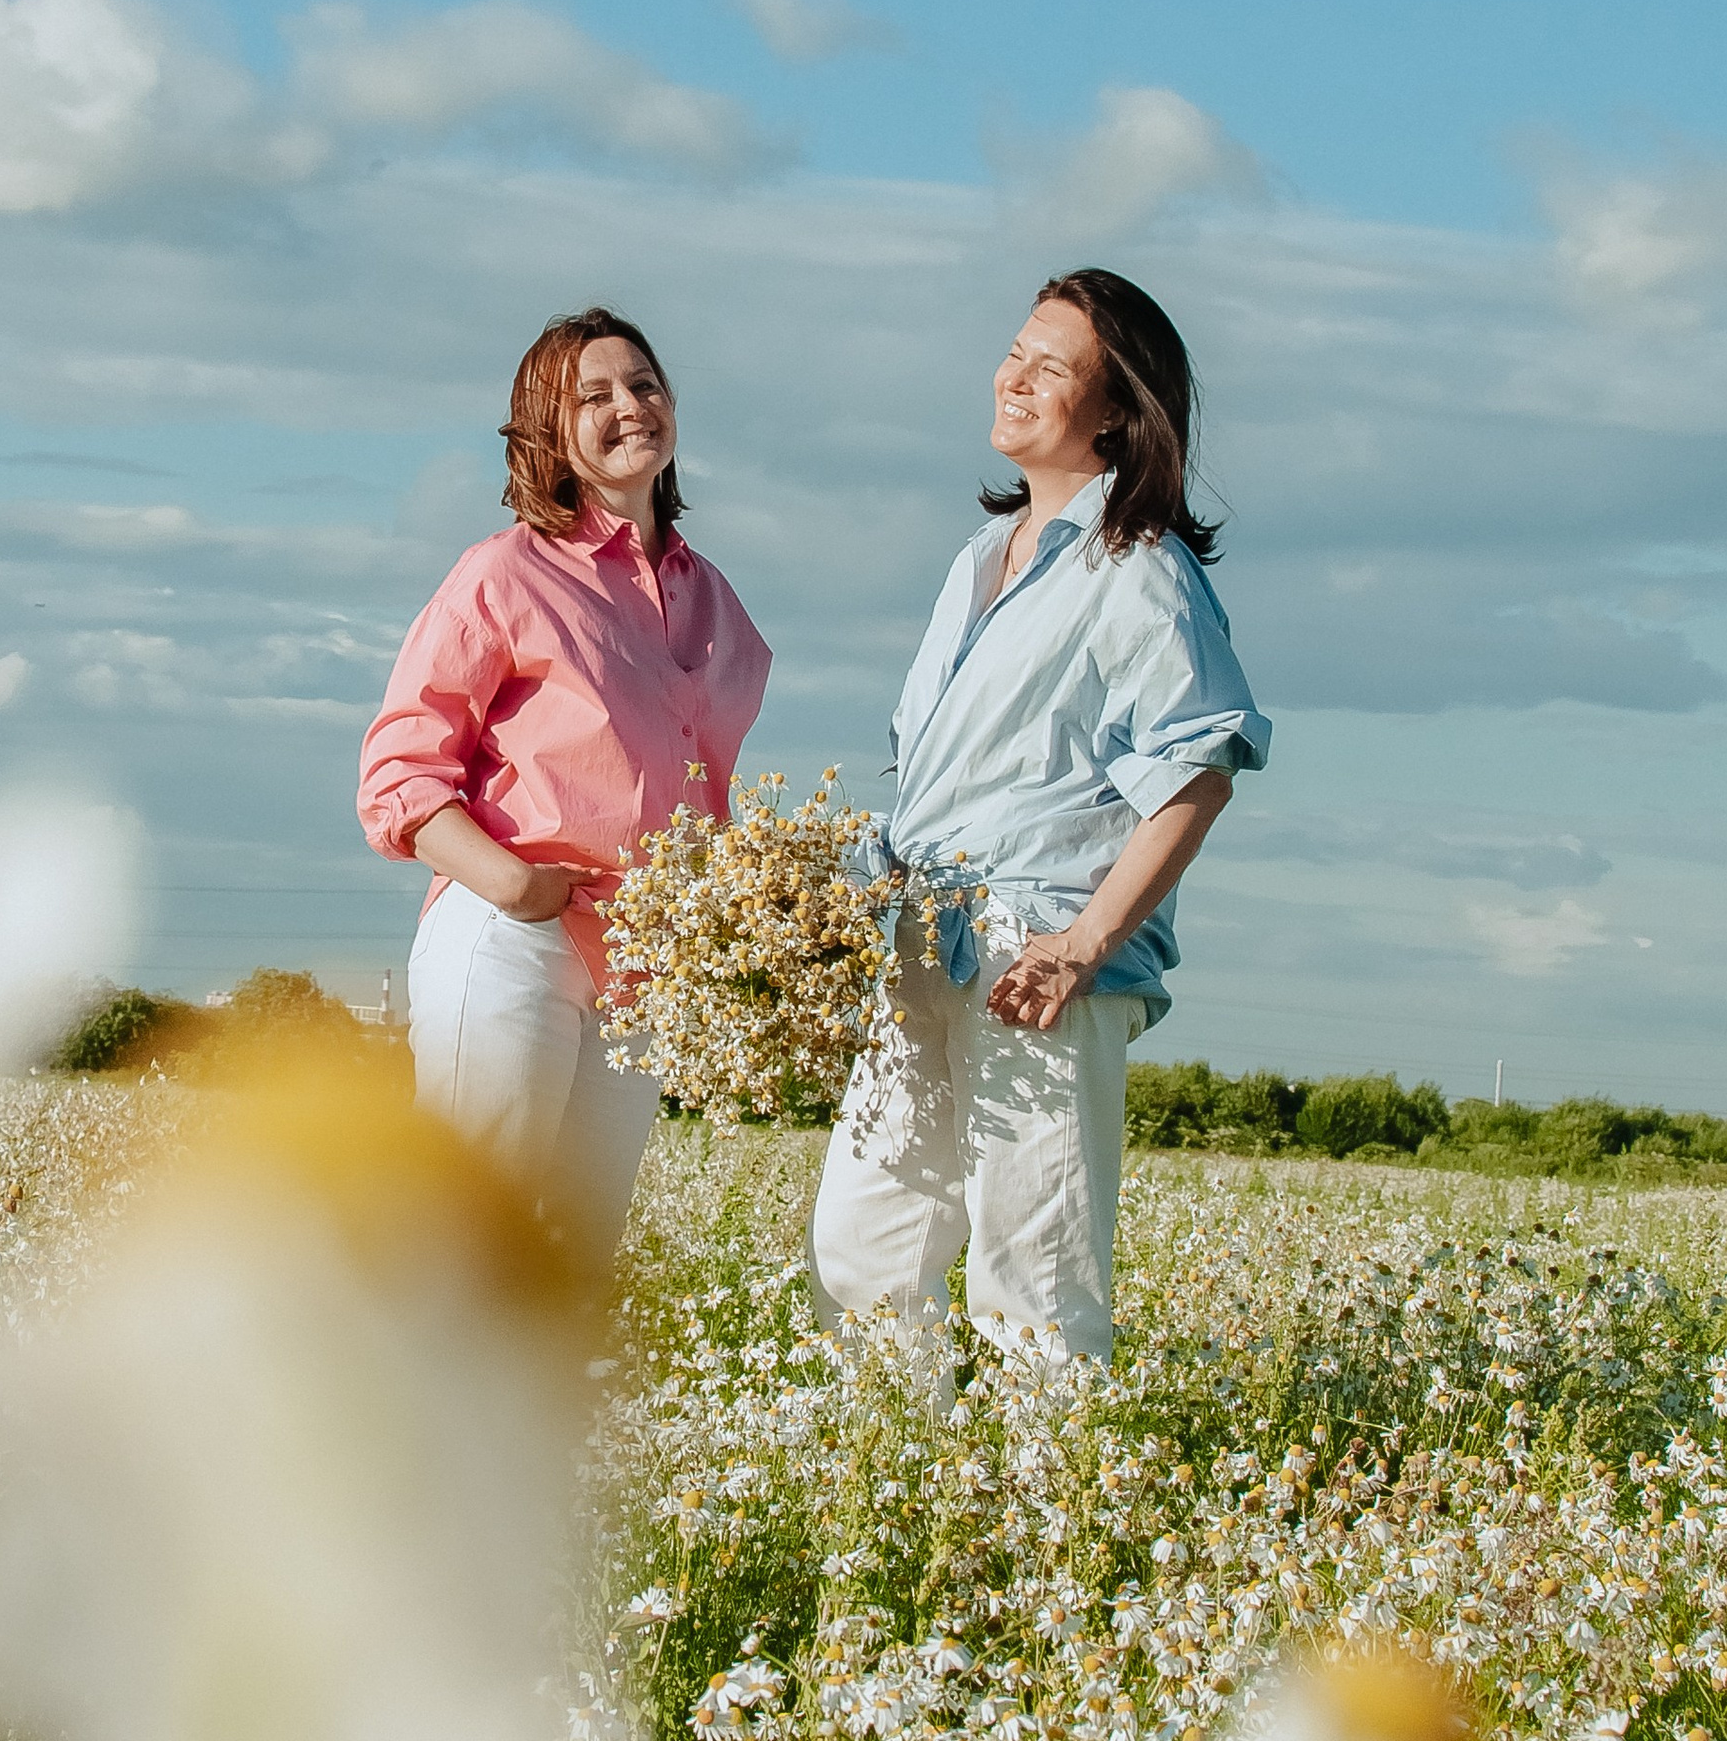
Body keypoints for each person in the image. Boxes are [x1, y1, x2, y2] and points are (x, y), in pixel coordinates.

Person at [810, 267, 1267, 1376]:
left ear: (1115, 411)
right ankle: (898, 1503)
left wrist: (1081, 946)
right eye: (1016, 350)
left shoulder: (1138, 567)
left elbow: (1198, 769)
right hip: (922, 935)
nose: (1014, 377)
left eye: (1051, 367)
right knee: (861, 1250)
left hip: (1036, 953)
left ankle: (1045, 1533)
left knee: (1035, 1278)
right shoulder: (980, 556)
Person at [358, 309, 771, 1267]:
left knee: (572, 1260)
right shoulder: (504, 573)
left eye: (645, 384)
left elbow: (703, 792)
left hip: (642, 969)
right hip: (514, 937)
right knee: (466, 1236)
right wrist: (511, 885)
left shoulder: (716, 599)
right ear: (549, 431)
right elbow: (398, 770)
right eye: (595, 396)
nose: (630, 406)